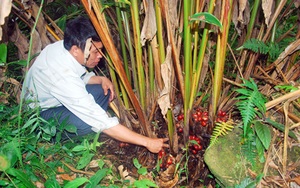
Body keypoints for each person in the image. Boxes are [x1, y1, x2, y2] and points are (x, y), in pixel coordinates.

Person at [22, 16, 168, 153]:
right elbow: (102, 121)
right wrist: (147, 142)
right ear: (75, 50)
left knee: (102, 90)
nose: (100, 55)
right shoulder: (61, 75)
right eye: (95, 51)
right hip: (39, 117)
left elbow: (79, 76)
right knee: (88, 122)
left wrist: (100, 79)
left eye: (101, 50)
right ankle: (53, 139)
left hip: (57, 100)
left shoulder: (64, 47)